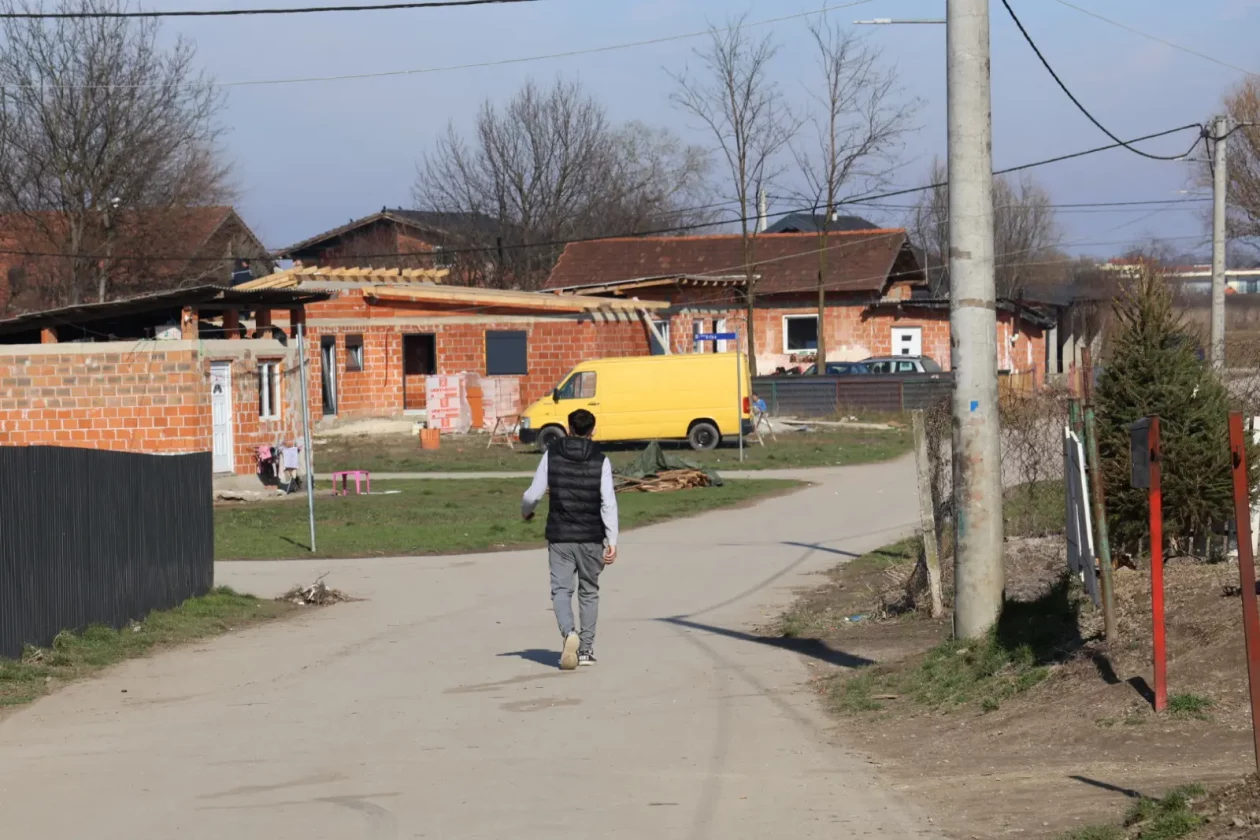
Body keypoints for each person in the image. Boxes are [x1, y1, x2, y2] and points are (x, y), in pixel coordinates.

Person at [521, 409, 618, 670]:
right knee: (589, 591)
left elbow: (534, 494)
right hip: (591, 536)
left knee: (561, 590)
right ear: (593, 430)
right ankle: (585, 650)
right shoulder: (602, 460)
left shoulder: (551, 455)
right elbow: (608, 503)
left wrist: (526, 511)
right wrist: (612, 540)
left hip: (560, 536)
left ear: (567, 427)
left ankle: (568, 634)